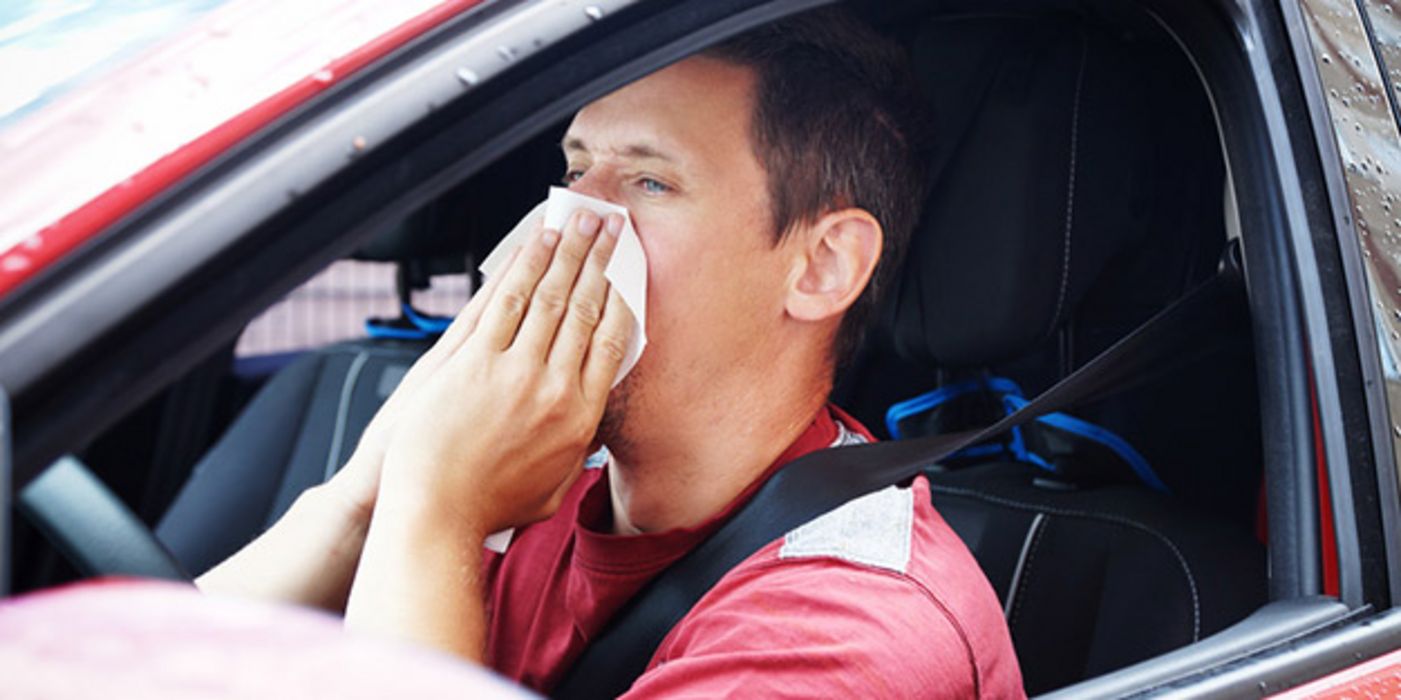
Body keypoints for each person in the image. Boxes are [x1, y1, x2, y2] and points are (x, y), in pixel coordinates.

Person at [198, 8, 1024, 698]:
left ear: (821, 265)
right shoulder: (530, 481)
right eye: (574, 171)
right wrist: (370, 490)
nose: (564, 223)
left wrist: (435, 515)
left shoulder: (848, 629)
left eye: (648, 183)